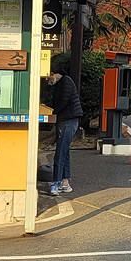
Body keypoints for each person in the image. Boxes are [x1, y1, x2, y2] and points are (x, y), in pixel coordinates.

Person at [45, 64, 82, 196]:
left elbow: (63, 102)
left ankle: (55, 183)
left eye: (47, 77)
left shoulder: (66, 82)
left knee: (60, 153)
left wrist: (51, 112)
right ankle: (65, 183)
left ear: (52, 73)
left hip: (68, 120)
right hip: (67, 120)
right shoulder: (62, 82)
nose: (46, 80)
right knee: (64, 152)